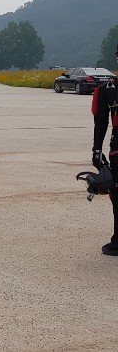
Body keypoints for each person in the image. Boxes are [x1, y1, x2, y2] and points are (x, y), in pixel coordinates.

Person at [92, 43, 118, 255]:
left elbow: (100, 123)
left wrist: (96, 151)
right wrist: (97, 150)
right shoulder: (107, 89)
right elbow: (100, 122)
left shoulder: (108, 88)